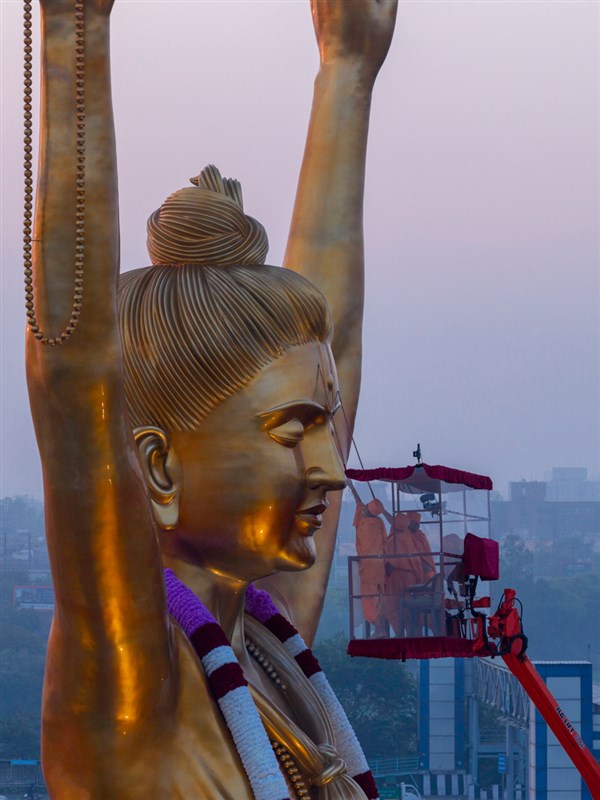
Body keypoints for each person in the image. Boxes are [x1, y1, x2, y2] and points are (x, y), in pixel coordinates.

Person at [25, 0, 397, 797]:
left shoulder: (259, 638)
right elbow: (72, 381)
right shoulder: (133, 681)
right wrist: (73, 30)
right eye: (292, 431)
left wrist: (347, 68)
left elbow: (346, 335)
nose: (332, 469)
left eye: (326, 427)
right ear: (156, 469)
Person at [348, 481, 387, 636]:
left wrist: (351, 486)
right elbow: (360, 504)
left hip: (369, 567)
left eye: (365, 509)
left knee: (369, 599)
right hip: (380, 566)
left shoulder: (366, 523)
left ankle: (378, 627)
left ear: (369, 512)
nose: (362, 509)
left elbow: (360, 505)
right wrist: (351, 487)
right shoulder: (377, 521)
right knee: (379, 597)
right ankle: (380, 627)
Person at [383, 513, 423, 636]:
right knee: (407, 606)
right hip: (410, 577)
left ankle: (399, 633)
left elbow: (388, 564)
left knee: (393, 605)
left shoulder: (394, 539)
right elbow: (417, 561)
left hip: (395, 577)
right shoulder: (409, 538)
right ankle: (408, 633)